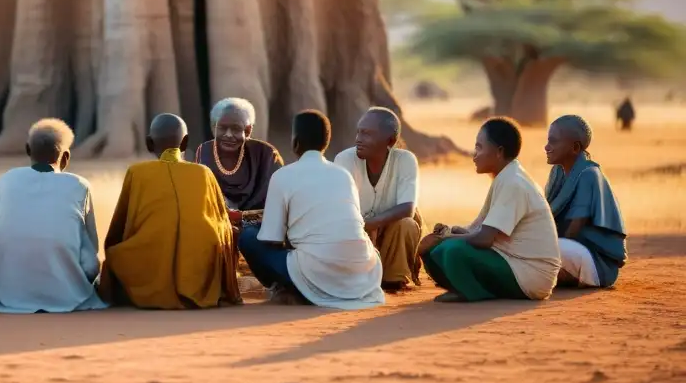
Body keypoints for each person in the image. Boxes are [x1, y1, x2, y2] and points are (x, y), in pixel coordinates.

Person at [0, 119, 107, 313]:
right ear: (66, 157)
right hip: (66, 292)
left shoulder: (7, 180)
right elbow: (90, 250)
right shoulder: (78, 185)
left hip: (5, 287)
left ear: (28, 149)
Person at [239, 110, 385, 309]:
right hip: (364, 272)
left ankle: (286, 288)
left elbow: (271, 238)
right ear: (326, 142)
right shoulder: (343, 175)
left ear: (295, 142)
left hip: (317, 273)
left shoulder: (283, 176)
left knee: (248, 237)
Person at [99, 113, 241, 309]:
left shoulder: (137, 172)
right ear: (185, 143)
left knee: (117, 256)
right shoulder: (203, 173)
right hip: (200, 274)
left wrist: (111, 256)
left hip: (148, 267)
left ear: (149, 143)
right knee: (228, 234)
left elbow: (118, 227)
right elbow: (222, 223)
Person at [420, 117, 560, 303]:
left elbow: (484, 239)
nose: (474, 155)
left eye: (479, 148)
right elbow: (479, 230)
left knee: (452, 250)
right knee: (435, 249)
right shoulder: (505, 177)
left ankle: (474, 293)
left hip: (530, 274)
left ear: (499, 152)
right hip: (510, 261)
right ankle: (467, 288)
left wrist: (445, 238)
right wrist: (448, 231)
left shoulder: (513, 183)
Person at [335, 107, 422, 291]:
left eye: (367, 134)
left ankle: (393, 279)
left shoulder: (406, 160)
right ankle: (356, 276)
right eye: (358, 132)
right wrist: (365, 228)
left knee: (406, 224)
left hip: (389, 236)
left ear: (390, 141)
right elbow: (339, 209)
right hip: (355, 235)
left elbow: (408, 208)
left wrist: (373, 223)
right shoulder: (344, 159)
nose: (358, 139)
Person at [544, 115, 627, 288]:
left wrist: (539, 241)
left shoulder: (589, 174)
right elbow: (545, 216)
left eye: (553, 142)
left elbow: (574, 228)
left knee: (540, 248)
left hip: (597, 263)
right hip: (568, 249)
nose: (546, 147)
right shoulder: (557, 172)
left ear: (575, 147)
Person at [194, 98, 283, 213]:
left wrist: (243, 218)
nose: (228, 135)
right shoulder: (204, 151)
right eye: (222, 128)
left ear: (247, 131)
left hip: (259, 223)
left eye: (236, 129)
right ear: (214, 128)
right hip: (218, 222)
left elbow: (277, 199)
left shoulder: (266, 154)